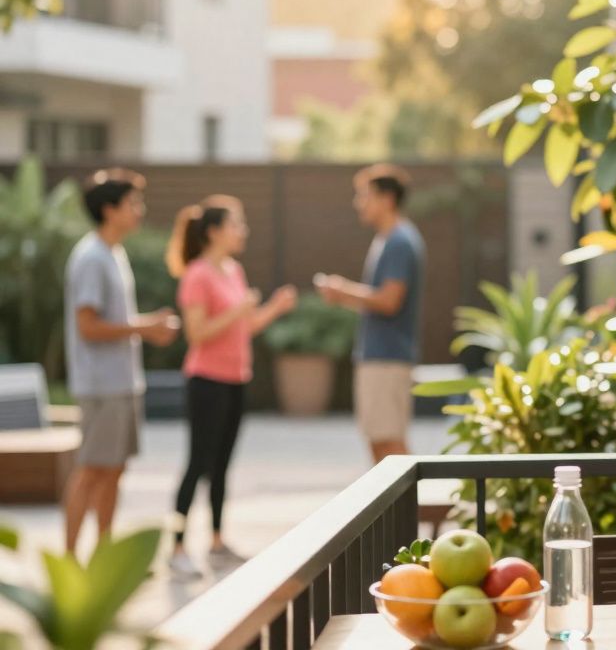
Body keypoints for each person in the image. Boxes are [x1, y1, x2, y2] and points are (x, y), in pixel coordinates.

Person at [165, 195, 297, 577]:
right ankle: (175, 547)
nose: (243, 231)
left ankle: (217, 542)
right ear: (214, 231)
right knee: (197, 464)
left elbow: (247, 326)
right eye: (236, 224)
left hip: (236, 379)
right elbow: (197, 333)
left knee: (221, 465)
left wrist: (273, 308)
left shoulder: (233, 271)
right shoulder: (197, 275)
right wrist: (239, 310)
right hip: (206, 382)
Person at [62, 169, 180, 555]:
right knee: (92, 469)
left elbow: (109, 321)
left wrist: (145, 327)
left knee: (114, 470)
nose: (140, 211)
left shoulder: (114, 253)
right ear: (110, 210)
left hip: (122, 382)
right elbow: (88, 326)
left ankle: (103, 558)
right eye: (133, 203)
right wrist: (145, 328)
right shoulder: (91, 257)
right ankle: (68, 560)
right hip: (101, 384)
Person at [316, 164, 426, 463]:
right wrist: (344, 296)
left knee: (389, 444)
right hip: (379, 356)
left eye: (364, 195)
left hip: (387, 358)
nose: (358, 203)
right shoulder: (387, 239)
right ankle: (401, 511)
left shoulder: (400, 241)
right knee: (379, 442)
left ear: (387, 198)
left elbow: (390, 301)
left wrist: (342, 291)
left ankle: (417, 510)